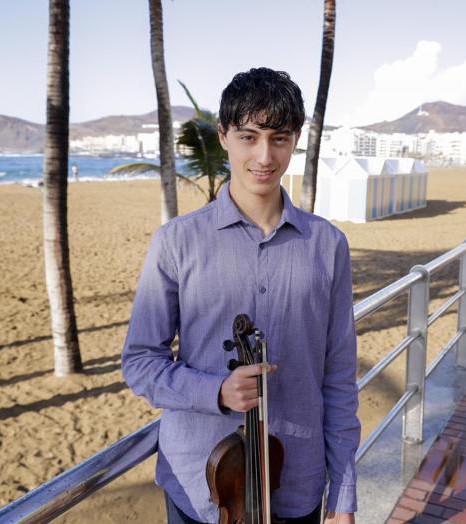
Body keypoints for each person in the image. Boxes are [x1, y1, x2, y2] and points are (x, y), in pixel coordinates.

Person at [122, 68, 359, 524]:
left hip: (299, 483)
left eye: (279, 138)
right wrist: (217, 391)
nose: (264, 156)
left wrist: (344, 494)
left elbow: (339, 377)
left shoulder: (328, 246)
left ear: (295, 140)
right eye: (248, 137)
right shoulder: (176, 242)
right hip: (201, 483)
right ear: (224, 136)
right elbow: (140, 362)